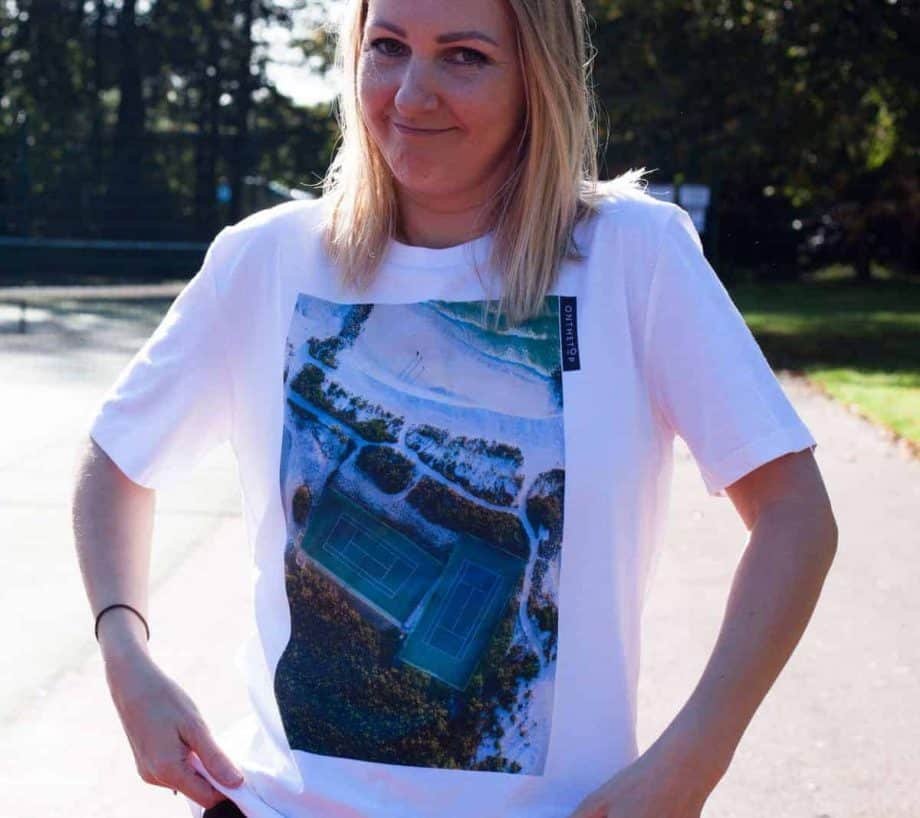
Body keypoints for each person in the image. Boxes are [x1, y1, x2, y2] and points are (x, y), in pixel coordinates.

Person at [71, 0, 838, 817]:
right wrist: (126, 654)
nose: (410, 95)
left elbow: (795, 516)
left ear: (535, 79)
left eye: (464, 57)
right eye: (388, 47)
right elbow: (116, 461)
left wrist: (696, 754)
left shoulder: (633, 256)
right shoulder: (264, 257)